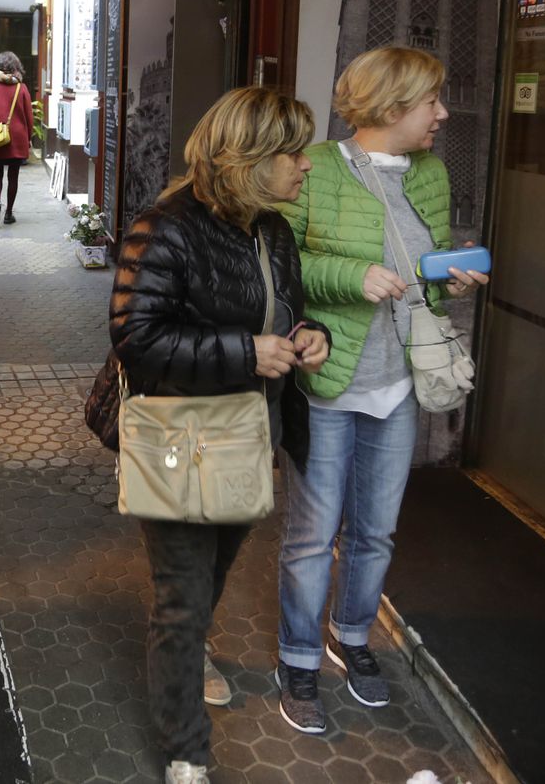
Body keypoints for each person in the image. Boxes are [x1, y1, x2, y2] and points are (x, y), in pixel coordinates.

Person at [110, 88, 329, 784]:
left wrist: (307, 338)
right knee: (182, 597)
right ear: (249, 159)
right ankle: (186, 753)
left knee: (211, 578)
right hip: (181, 437)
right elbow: (134, 338)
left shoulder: (275, 230)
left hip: (247, 436)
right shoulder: (166, 226)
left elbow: (285, 314)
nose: (306, 165)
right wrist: (245, 352)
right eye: (294, 151)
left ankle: (190, 654)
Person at [273, 46, 487, 735]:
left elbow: (422, 264)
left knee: (377, 530)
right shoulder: (317, 168)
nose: (442, 114)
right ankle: (298, 658)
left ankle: (354, 638)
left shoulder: (430, 174)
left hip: (399, 384)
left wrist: (443, 279)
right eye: (432, 101)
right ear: (393, 105)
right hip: (330, 379)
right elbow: (288, 262)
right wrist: (353, 276)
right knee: (312, 535)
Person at [0, 51, 35, 226]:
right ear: (16, 68)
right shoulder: (21, 88)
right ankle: (9, 213)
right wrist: (29, 137)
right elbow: (29, 116)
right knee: (13, 176)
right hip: (17, 137)